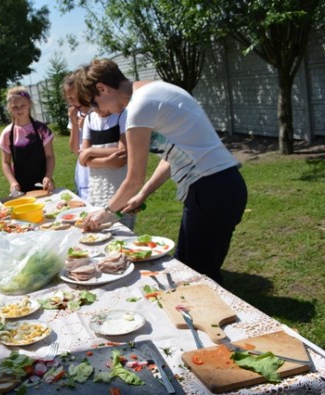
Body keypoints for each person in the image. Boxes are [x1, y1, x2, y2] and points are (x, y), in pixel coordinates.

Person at [76, 59, 247, 284]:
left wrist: (107, 212)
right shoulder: (153, 90)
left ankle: (219, 318)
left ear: (102, 88)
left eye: (95, 104)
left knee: (200, 277)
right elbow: (172, 158)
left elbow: (134, 178)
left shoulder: (139, 107)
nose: (99, 110)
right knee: (188, 268)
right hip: (219, 187)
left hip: (211, 189)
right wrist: (143, 195)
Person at [79, 107, 135, 229]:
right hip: (97, 189)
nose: (100, 109)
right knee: (98, 231)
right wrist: (108, 161)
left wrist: (90, 151)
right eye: (94, 106)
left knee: (123, 231)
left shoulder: (122, 116)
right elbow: (83, 161)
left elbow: (122, 153)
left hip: (119, 187)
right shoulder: (89, 119)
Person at [0, 86, 56, 195]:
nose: (19, 110)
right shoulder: (7, 133)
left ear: (29, 104)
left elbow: (50, 156)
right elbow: (5, 162)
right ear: (10, 108)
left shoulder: (42, 130)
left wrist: (48, 176)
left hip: (44, 185)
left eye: (22, 105)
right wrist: (12, 182)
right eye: (15, 107)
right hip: (20, 187)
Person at [63, 73, 90, 199]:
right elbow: (74, 149)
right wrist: (74, 123)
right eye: (70, 98)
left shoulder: (97, 111)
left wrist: (88, 126)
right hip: (83, 169)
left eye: (77, 96)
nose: (75, 101)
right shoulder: (75, 115)